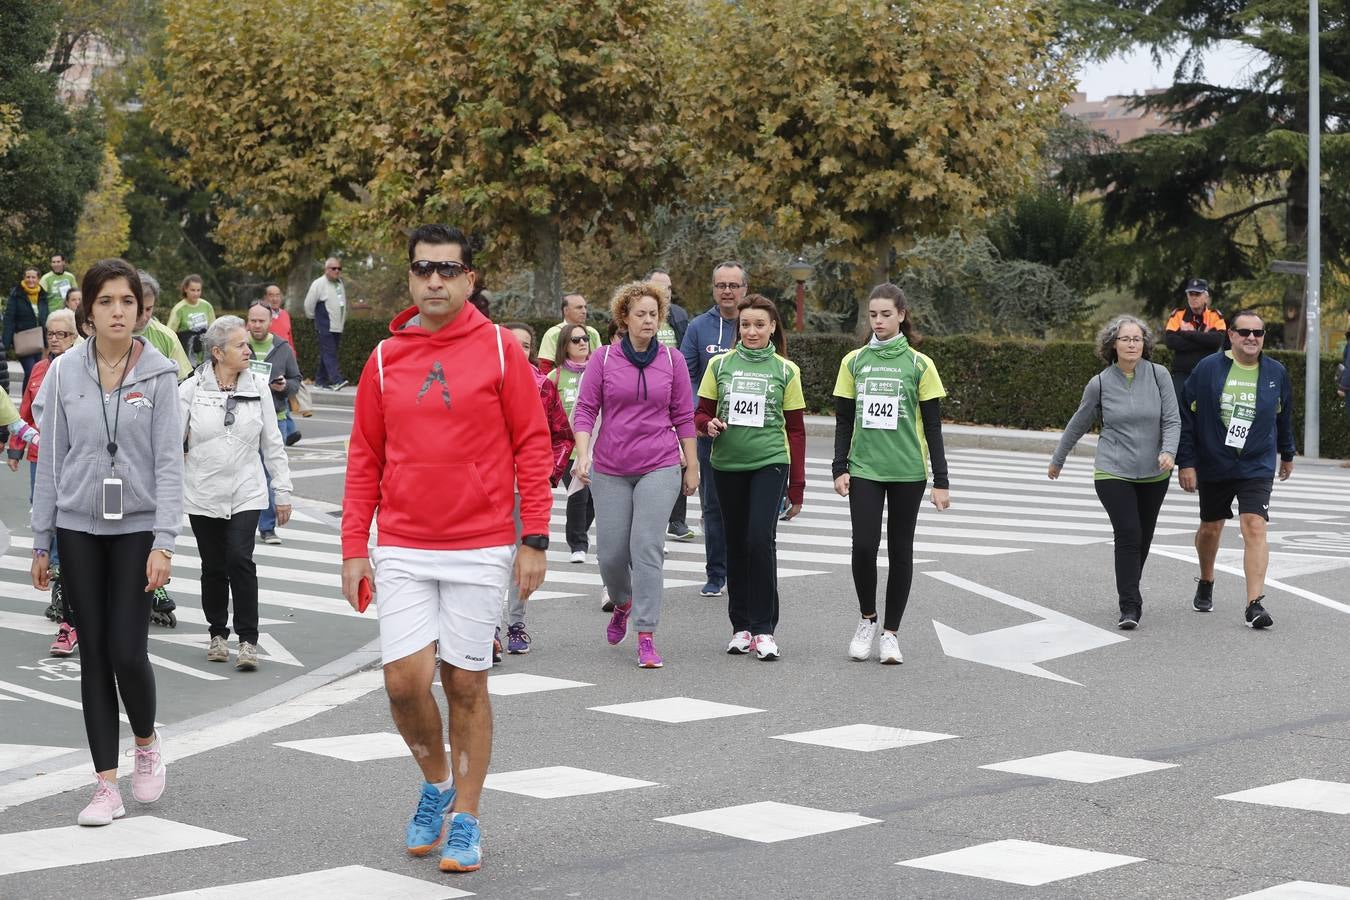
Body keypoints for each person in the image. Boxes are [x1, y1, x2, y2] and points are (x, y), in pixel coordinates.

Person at [341, 224, 552, 874]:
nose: (434, 279)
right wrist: (355, 546)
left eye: (447, 269)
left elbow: (532, 444)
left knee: (465, 683)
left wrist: (534, 539)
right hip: (403, 544)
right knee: (404, 684)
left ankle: (467, 816)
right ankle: (437, 784)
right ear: (410, 277)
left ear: (469, 279)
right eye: (423, 268)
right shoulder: (383, 358)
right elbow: (365, 456)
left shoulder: (496, 350)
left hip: (479, 545)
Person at [31, 259, 182, 826]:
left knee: (125, 650)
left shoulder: (161, 375)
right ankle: (105, 785)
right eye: (105, 302)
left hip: (137, 528)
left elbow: (170, 466)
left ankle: (145, 741)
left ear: (140, 308)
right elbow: (51, 460)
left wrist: (163, 542)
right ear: (87, 312)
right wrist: (41, 539)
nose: (117, 311)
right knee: (92, 654)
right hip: (76, 527)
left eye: (126, 301)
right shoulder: (66, 372)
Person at [573, 280, 698, 669]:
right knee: (611, 554)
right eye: (640, 314)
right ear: (623, 319)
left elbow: (683, 415)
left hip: (659, 465)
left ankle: (646, 634)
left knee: (647, 547)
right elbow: (585, 410)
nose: (648, 321)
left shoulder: (673, 361)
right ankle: (622, 603)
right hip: (610, 467)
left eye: (653, 314)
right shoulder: (604, 359)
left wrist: (690, 464)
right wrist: (583, 454)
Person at [832, 284, 950, 665]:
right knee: (864, 546)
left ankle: (891, 633)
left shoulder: (920, 364)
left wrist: (941, 481)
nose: (878, 321)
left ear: (901, 315)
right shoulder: (854, 361)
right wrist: (840, 466)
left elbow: (933, 427)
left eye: (886, 314)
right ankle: (867, 619)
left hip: (907, 471)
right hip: (865, 468)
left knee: (901, 551)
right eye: (873, 314)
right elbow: (844, 420)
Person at [1049, 316, 1180, 629]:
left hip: (1154, 473)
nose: (1132, 344)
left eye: (1137, 339)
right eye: (1125, 339)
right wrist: (1059, 459)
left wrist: (1169, 452)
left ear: (1145, 345)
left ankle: (1130, 587)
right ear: (1113, 345)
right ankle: (1130, 606)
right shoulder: (1100, 383)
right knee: (1128, 533)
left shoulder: (1159, 375)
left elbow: (1173, 420)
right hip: (1113, 470)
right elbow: (1079, 422)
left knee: (1144, 537)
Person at [695, 294, 805, 660]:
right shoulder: (719, 365)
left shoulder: (786, 370)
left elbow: (796, 430)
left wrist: (797, 484)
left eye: (759, 324)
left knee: (760, 539)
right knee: (736, 543)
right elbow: (701, 414)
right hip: (727, 464)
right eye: (745, 325)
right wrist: (707, 425)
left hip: (770, 462)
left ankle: (764, 629)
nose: (752, 331)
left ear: (773, 326)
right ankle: (740, 627)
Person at [181, 316, 293, 670]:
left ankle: (248, 640)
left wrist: (283, 490)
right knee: (213, 565)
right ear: (217, 352)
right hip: (202, 491)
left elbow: (273, 443)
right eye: (240, 345)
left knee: (239, 560)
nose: (249, 350)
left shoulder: (258, 386)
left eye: (248, 344)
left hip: (247, 489)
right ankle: (217, 632)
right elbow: (169, 445)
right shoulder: (190, 390)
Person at [1177, 310, 1295, 629]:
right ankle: (1206, 578)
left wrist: (1288, 453)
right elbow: (1185, 415)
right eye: (1244, 332)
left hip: (1256, 462)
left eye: (1258, 333)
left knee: (1254, 525)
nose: (1252, 338)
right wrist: (1185, 461)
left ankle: (1254, 604)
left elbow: (1283, 416)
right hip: (1215, 460)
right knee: (1210, 528)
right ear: (1230, 335)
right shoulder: (1209, 369)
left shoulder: (1275, 372)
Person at [500, 322, 574, 655]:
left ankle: (515, 623)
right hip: (483, 488)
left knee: (519, 558)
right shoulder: (479, 381)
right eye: (512, 344)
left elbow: (562, 436)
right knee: (486, 561)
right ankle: (486, 629)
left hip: (523, 487)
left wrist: (548, 474)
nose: (519, 350)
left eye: (526, 345)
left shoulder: (542, 385)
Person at [6, 309, 75, 653]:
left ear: (76, 336)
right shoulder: (39, 369)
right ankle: (59, 590)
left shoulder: (81, 371)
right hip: (40, 461)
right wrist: (18, 449)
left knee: (68, 526)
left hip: (74, 464)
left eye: (63, 334)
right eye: (51, 333)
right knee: (45, 522)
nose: (55, 339)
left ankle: (66, 595)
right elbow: (24, 414)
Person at [679, 261, 746, 595]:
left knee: (746, 508)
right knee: (713, 506)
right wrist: (700, 417)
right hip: (709, 433)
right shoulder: (698, 327)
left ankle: (743, 571)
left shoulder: (754, 322)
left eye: (734, 285)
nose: (727, 291)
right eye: (721, 285)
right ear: (714, 289)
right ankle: (716, 574)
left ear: (744, 289)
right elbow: (686, 375)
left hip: (750, 434)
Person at [244, 302, 302, 545]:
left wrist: (284, 386)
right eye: (253, 320)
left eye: (261, 321)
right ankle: (240, 525)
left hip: (274, 417)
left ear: (270, 323)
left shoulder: (282, 348)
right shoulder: (237, 343)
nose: (257, 325)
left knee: (270, 473)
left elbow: (296, 380)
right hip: (243, 416)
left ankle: (267, 528)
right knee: (243, 473)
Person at [649, 268, 695, 541]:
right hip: (649, 388)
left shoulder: (678, 315)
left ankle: (677, 520)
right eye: (658, 288)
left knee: (680, 455)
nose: (664, 293)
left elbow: (686, 350)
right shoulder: (636, 313)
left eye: (667, 289)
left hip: (674, 385)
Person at [548, 322, 595, 564]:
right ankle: (578, 544)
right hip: (569, 449)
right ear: (565, 346)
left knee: (594, 498)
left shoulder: (598, 371)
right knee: (578, 495)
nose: (582, 343)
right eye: (576, 340)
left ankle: (580, 532)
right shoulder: (555, 376)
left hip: (596, 447)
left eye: (585, 338)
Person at [1164, 278, 1226, 404]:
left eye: (1197, 294)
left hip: (1208, 374)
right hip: (1182, 373)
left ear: (1206, 296)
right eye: (1190, 294)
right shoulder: (1178, 314)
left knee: (1207, 409)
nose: (1193, 298)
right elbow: (1170, 341)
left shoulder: (1215, 316)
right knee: (1179, 409)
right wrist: (1204, 341)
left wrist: (1187, 334)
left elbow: (1217, 341)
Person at [134, 272, 191, 381]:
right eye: (139, 309)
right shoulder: (109, 336)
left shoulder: (167, 337)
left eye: (148, 309)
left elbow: (182, 381)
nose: (143, 317)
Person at [304, 257, 349, 389]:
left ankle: (320, 380)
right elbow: (309, 303)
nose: (337, 271)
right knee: (330, 352)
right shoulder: (319, 283)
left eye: (339, 269)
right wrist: (313, 317)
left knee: (328, 352)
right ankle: (336, 380)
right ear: (326, 269)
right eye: (333, 268)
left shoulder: (339, 283)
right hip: (325, 324)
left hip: (337, 326)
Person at [5, 265, 49, 390]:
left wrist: (47, 343)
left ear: (38, 279)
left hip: (39, 340)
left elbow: (45, 320)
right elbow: (9, 320)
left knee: (36, 375)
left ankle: (31, 403)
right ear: (24, 278)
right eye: (28, 277)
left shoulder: (43, 296)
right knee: (30, 372)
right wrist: (5, 346)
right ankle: (26, 407)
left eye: (33, 277)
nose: (30, 280)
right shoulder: (16, 294)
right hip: (23, 340)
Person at [537, 293, 601, 374]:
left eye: (585, 307)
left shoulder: (593, 333)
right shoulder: (553, 334)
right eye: (579, 307)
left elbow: (600, 361)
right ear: (566, 310)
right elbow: (545, 366)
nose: (584, 311)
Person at [165, 274, 215, 367]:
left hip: (205, 354)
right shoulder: (179, 309)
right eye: (193, 290)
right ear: (185, 289)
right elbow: (169, 333)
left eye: (198, 290)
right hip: (187, 354)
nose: (196, 293)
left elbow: (213, 329)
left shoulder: (207, 306)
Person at [262, 283, 295, 352]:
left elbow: (290, 338)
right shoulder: (259, 315)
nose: (275, 299)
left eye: (277, 295)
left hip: (285, 355)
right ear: (265, 298)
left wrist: (293, 355)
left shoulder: (285, 314)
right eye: (271, 295)